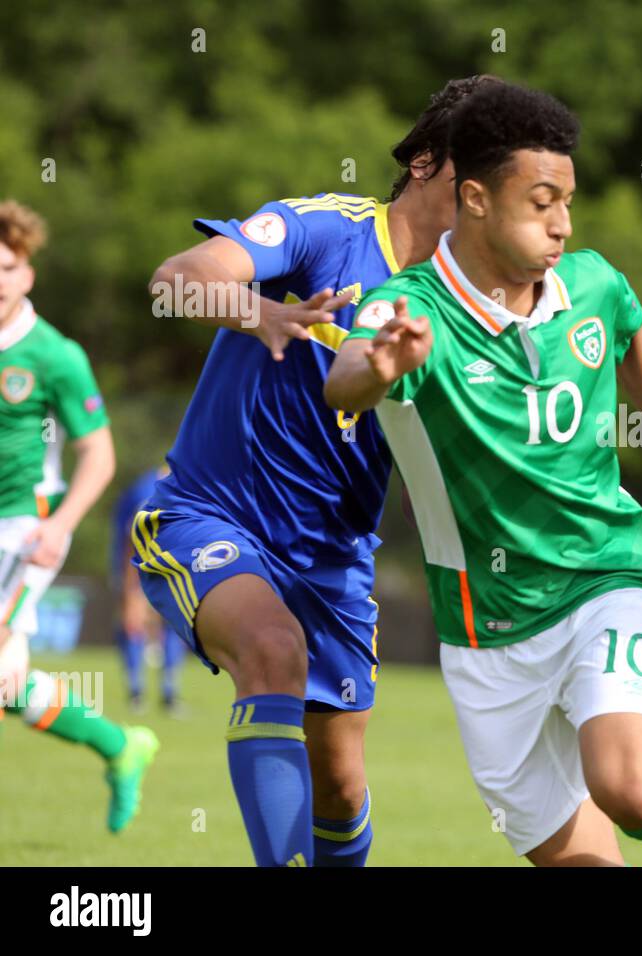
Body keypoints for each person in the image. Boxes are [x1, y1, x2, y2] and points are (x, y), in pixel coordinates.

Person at [326, 82, 642, 866]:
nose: (562, 223)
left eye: (568, 201)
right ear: (476, 199)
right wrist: (382, 365)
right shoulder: (409, 311)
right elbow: (346, 376)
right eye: (541, 201)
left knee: (632, 789)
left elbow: (634, 328)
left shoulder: (589, 283)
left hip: (606, 576)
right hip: (486, 631)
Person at [136, 76, 498, 866]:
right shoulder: (325, 228)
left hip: (335, 560)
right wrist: (257, 310)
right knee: (272, 650)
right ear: (431, 164)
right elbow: (174, 281)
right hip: (211, 516)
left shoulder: (466, 304)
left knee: (338, 782)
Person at [0, 199, 158, 832]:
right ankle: (121, 746)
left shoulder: (54, 355)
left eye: (7, 267)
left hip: (26, 529)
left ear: (28, 275)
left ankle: (121, 747)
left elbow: (98, 454)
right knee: (9, 686)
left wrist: (60, 527)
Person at [111, 465, 186, 713]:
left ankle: (168, 694)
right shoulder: (146, 490)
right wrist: (129, 584)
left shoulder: (187, 488)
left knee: (175, 627)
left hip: (171, 568)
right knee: (133, 625)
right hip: (139, 566)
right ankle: (136, 693)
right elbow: (129, 537)